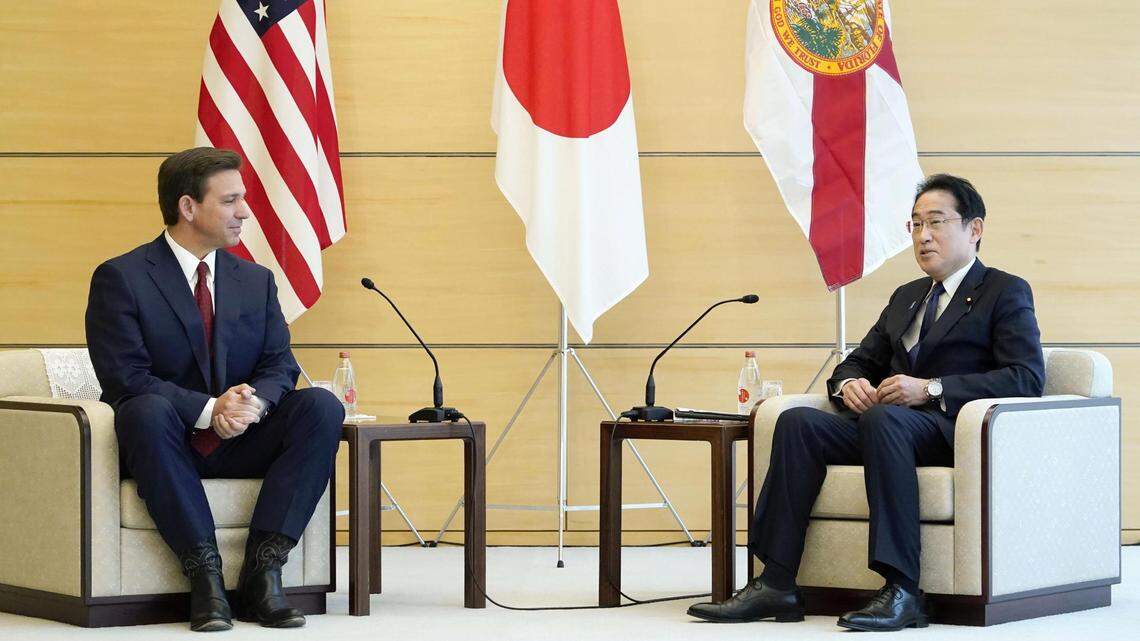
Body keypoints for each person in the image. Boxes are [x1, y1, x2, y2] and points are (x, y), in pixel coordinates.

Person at [687, 174, 1045, 631]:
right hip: (887, 428)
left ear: (974, 229)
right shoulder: (907, 297)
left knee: (884, 420)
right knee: (798, 423)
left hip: (951, 431)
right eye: (915, 225)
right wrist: (848, 385)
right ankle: (775, 582)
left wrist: (931, 388)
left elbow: (1026, 377)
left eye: (936, 222)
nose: (924, 236)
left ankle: (903, 588)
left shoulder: (1004, 290)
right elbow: (857, 362)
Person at [85, 147, 344, 632]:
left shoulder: (256, 281)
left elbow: (278, 363)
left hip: (242, 438)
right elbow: (126, 377)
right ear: (188, 207)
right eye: (230, 201)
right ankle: (205, 578)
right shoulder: (122, 277)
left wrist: (252, 404)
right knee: (142, 409)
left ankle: (263, 573)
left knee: (320, 407)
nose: (244, 211)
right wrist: (209, 408)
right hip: (165, 443)